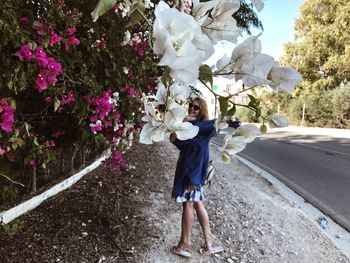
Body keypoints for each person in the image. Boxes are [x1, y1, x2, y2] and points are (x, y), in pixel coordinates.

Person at [169, 97, 224, 258]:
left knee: (188, 204)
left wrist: (234, 121)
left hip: (193, 173)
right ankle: (209, 239)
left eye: (196, 108)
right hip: (188, 171)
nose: (192, 109)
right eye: (191, 106)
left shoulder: (205, 126)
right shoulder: (187, 126)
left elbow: (221, 123)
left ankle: (184, 243)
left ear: (202, 110)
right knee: (197, 203)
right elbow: (173, 139)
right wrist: (182, 121)